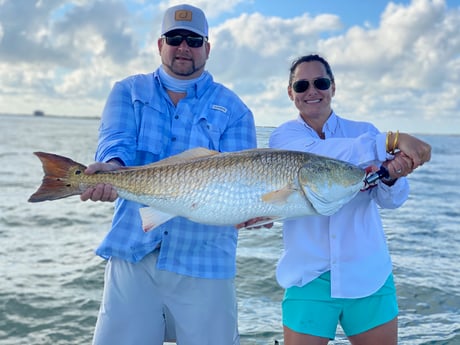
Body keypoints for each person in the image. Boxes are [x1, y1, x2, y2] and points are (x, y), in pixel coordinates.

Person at [80, 4, 258, 345]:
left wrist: (257, 210)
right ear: (160, 44)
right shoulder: (128, 91)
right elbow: (115, 143)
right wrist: (112, 169)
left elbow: (244, 182)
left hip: (205, 260)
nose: (184, 47)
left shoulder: (235, 110)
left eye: (193, 39)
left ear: (207, 47)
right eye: (174, 38)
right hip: (134, 251)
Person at [269, 54, 431, 345]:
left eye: (320, 82)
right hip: (308, 277)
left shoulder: (364, 131)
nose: (312, 91)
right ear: (290, 92)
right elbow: (320, 158)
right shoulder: (284, 137)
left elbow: (392, 200)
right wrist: (390, 141)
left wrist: (392, 175)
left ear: (333, 87)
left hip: (368, 272)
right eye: (302, 85)